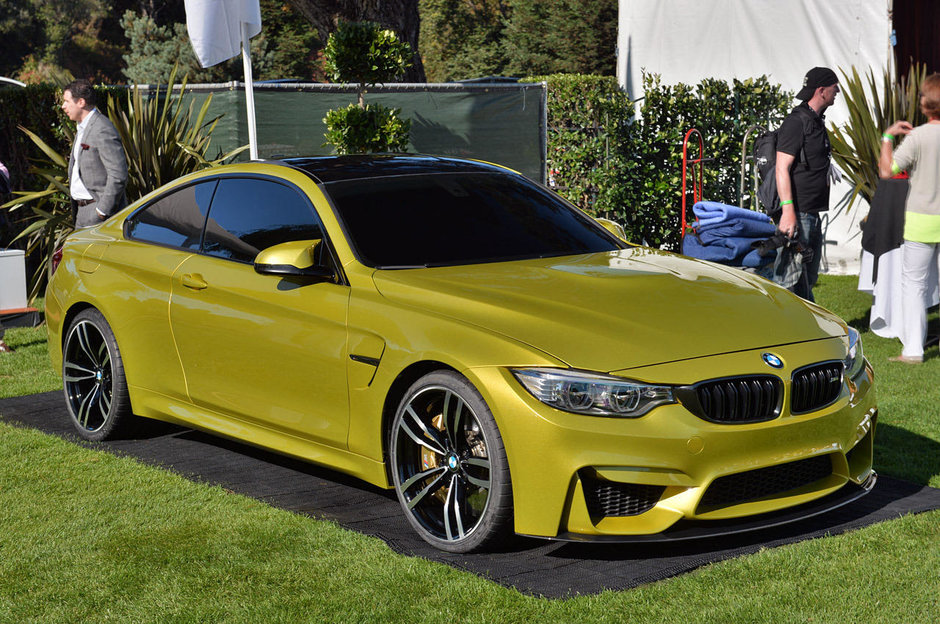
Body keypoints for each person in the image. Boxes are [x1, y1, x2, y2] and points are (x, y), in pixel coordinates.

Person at [878, 73, 940, 364]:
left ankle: (913, 351)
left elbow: (887, 171)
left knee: (914, 285)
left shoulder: (916, 137)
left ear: (925, 105)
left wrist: (888, 137)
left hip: (921, 220)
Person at [774, 67, 841, 301]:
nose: (838, 91)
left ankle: (808, 331)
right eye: (835, 88)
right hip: (798, 214)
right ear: (821, 91)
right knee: (788, 281)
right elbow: (781, 168)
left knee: (807, 279)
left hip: (810, 214)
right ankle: (780, 331)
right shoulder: (796, 121)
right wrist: (788, 211)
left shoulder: (815, 121)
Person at [61, 79, 128, 228]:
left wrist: (102, 211)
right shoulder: (82, 128)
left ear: (81, 102)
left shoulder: (102, 128)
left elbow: (118, 175)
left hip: (98, 214)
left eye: (67, 101)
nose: (63, 106)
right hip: (82, 212)